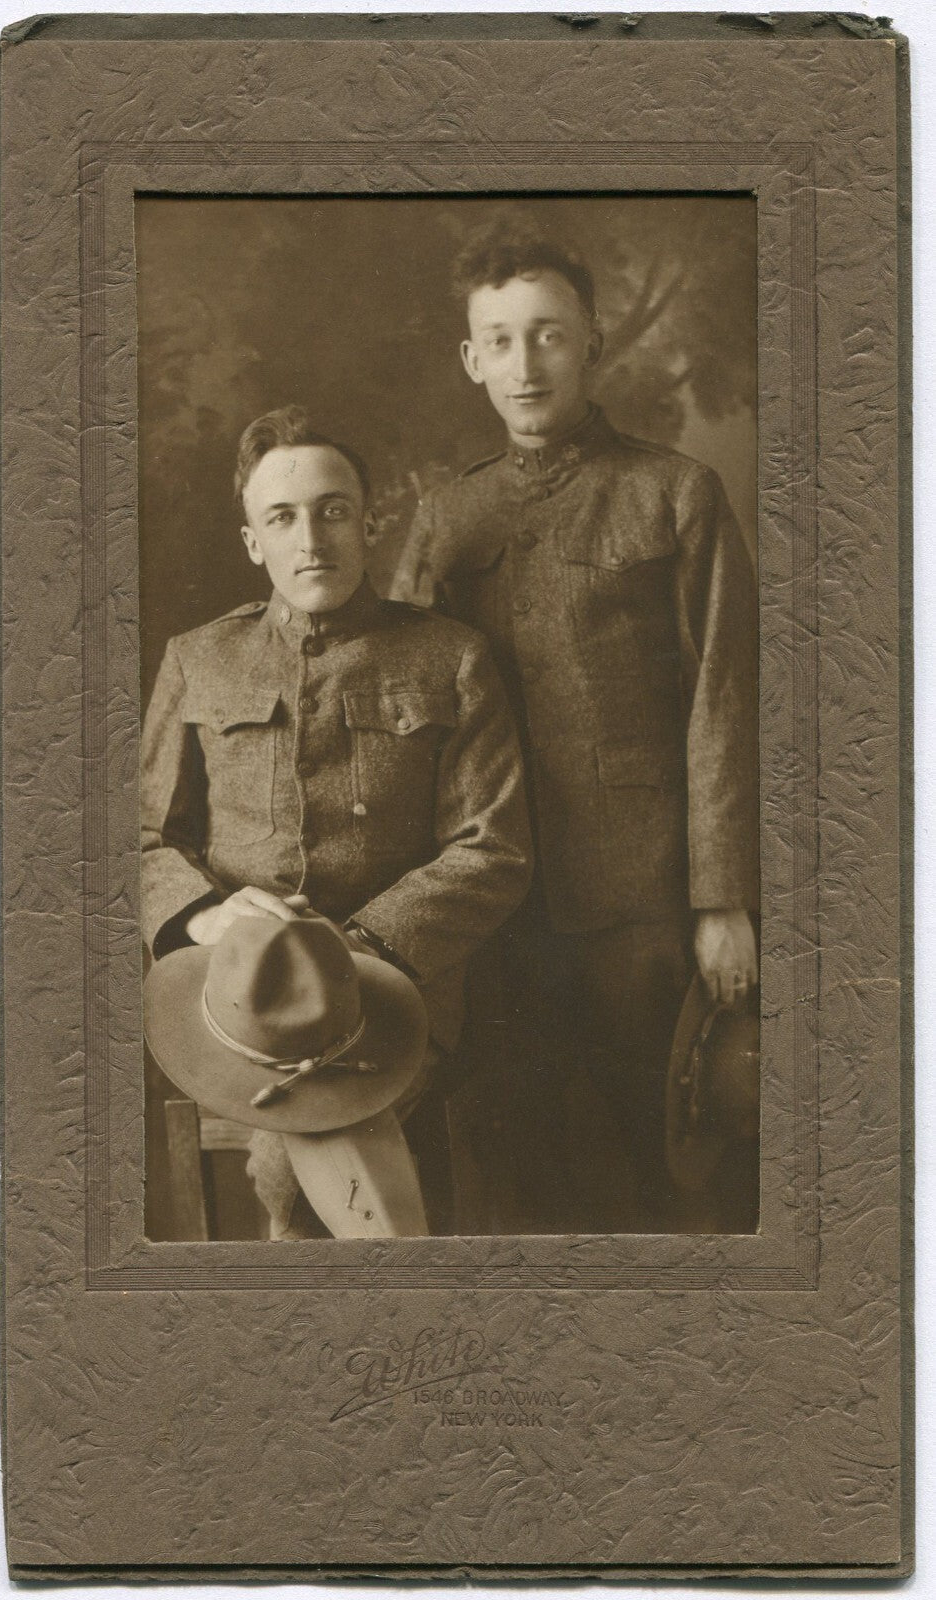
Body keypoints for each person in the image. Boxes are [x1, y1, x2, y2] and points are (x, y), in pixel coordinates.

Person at [393, 216, 758, 1230]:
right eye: (500, 339)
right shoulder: (444, 519)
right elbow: (410, 721)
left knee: (679, 1174)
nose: (526, 363)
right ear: (471, 359)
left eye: (549, 333)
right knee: (519, 1184)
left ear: (593, 339)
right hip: (497, 917)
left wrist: (721, 898)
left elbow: (724, 699)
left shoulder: (673, 493)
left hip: (643, 906)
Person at [141, 404, 532, 1238]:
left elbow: (492, 849)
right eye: (281, 517)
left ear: (371, 525)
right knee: (298, 1125)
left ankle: (308, 1282)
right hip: (239, 992)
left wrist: (352, 951)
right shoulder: (197, 658)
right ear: (253, 542)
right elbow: (143, 839)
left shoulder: (449, 657)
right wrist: (209, 917)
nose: (310, 538)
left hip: (398, 985)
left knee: (292, 1149)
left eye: (333, 510)